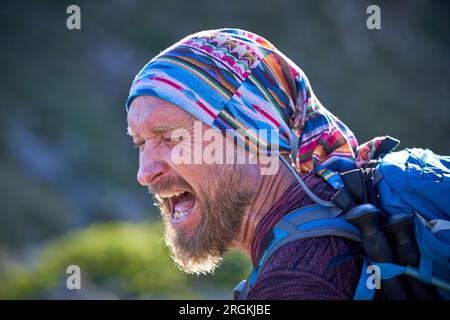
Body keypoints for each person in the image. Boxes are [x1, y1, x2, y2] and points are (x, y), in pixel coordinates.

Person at [125, 28, 389, 299]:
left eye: (169, 137)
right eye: (140, 144)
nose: (144, 173)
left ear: (252, 135)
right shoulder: (323, 223)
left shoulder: (297, 279)